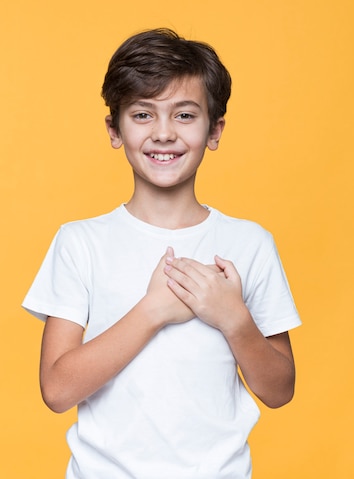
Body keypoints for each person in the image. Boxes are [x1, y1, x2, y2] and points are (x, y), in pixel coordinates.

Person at [22, 28, 301, 478]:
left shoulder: (250, 243)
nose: (164, 133)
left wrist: (233, 317)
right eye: (143, 114)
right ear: (115, 129)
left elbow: (279, 390)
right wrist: (153, 310)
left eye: (185, 115)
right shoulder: (80, 243)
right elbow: (57, 390)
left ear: (215, 130)